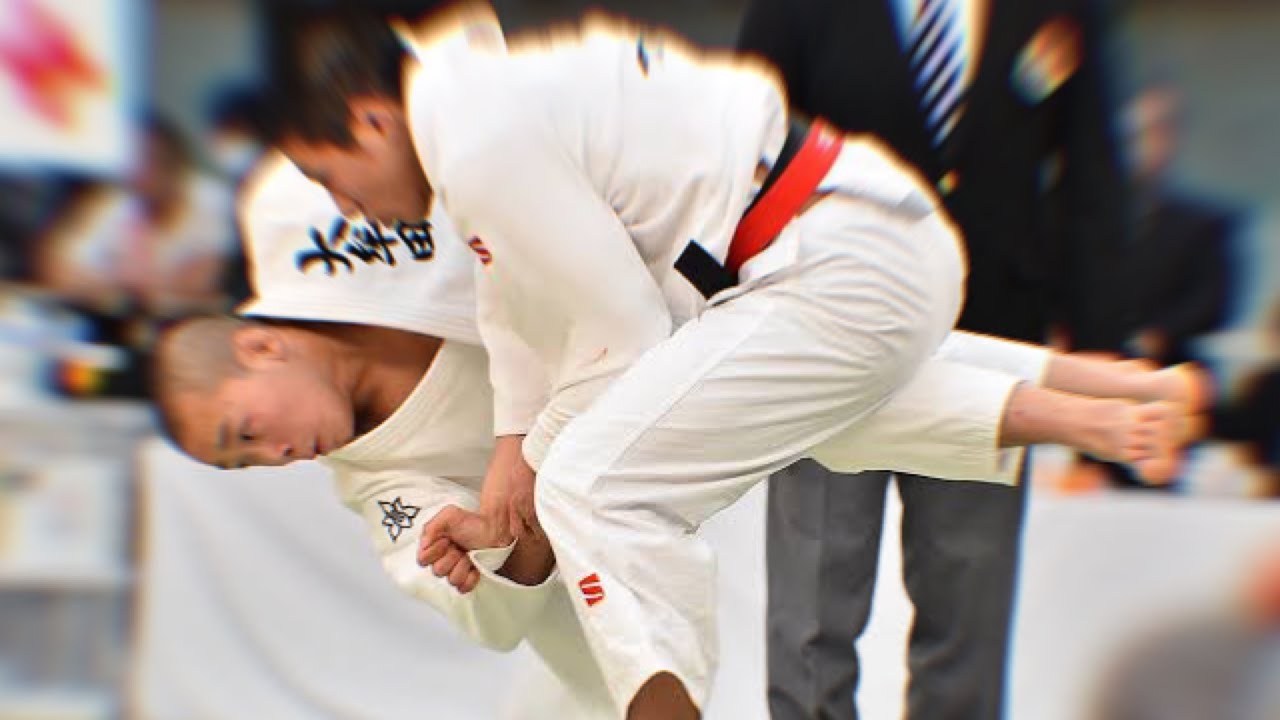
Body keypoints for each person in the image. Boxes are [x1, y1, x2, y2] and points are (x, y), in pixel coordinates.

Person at [269, 7, 1202, 717]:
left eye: (327, 177)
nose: (343, 208)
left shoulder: (473, 142)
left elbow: (626, 333)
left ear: (370, 121)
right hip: (839, 247)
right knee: (806, 431)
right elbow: (505, 294)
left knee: (592, 480)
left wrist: (538, 458)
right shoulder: (469, 104)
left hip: (823, 249)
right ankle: (1109, 400)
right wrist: (514, 442)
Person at [734, 0, 1130, 715]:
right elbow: (742, 156)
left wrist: (1103, 365)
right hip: (828, 339)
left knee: (968, 613)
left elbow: (1092, 180)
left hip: (995, 344)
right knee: (812, 615)